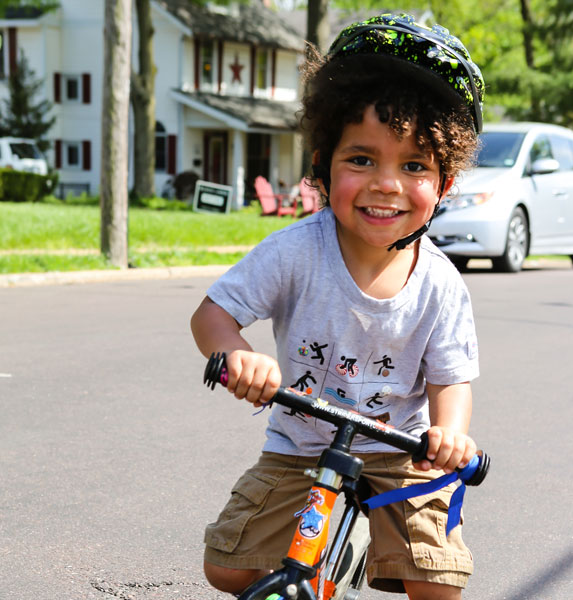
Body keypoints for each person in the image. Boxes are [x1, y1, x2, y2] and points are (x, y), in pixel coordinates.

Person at [191, 13, 485, 600]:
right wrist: (237, 355)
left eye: (414, 166)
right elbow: (211, 315)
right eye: (361, 159)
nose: (386, 184)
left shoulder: (442, 284)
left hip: (401, 453)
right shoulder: (297, 250)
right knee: (226, 569)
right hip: (299, 447)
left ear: (444, 184)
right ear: (323, 164)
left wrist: (450, 437)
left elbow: (451, 379)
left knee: (438, 585)